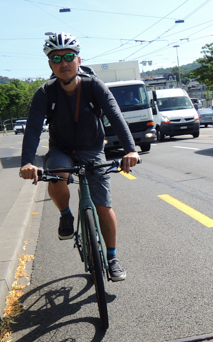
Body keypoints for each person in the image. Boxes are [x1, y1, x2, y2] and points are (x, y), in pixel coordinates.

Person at [19, 33, 140, 281]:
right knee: (57, 176)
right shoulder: (45, 93)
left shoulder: (95, 86)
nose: (63, 63)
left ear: (78, 59)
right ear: (50, 64)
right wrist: (27, 162)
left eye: (68, 57)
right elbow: (32, 128)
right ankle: (65, 215)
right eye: (56, 58)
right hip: (61, 149)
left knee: (103, 206)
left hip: (92, 149)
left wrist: (130, 149)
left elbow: (115, 116)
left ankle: (113, 257)